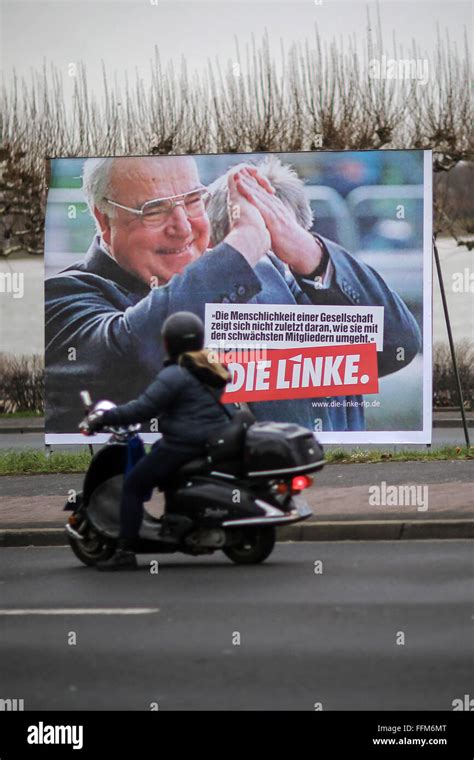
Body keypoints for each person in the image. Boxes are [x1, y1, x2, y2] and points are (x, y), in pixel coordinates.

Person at [45, 155, 421, 433]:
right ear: (102, 219)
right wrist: (243, 245)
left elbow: (396, 345)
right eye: (154, 210)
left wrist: (308, 252)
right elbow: (134, 352)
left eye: (193, 201)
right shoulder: (65, 298)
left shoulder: (263, 278)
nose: (183, 228)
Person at [85, 312, 231, 571]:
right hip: (209, 439)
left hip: (184, 444)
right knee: (162, 462)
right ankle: (175, 521)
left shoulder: (175, 375)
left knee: (132, 485)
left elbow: (143, 409)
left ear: (168, 343)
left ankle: (125, 551)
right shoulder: (209, 367)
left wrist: (104, 419)